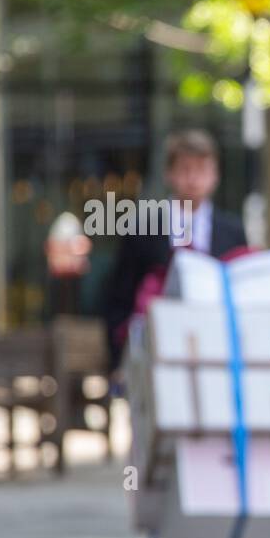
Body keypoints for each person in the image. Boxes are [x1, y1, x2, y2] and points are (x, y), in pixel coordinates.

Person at [101, 129, 247, 375]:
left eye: (201, 170)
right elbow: (120, 299)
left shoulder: (232, 232)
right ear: (170, 174)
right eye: (185, 169)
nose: (193, 179)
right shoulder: (142, 231)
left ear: (215, 176)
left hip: (216, 356)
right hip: (155, 356)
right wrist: (119, 361)